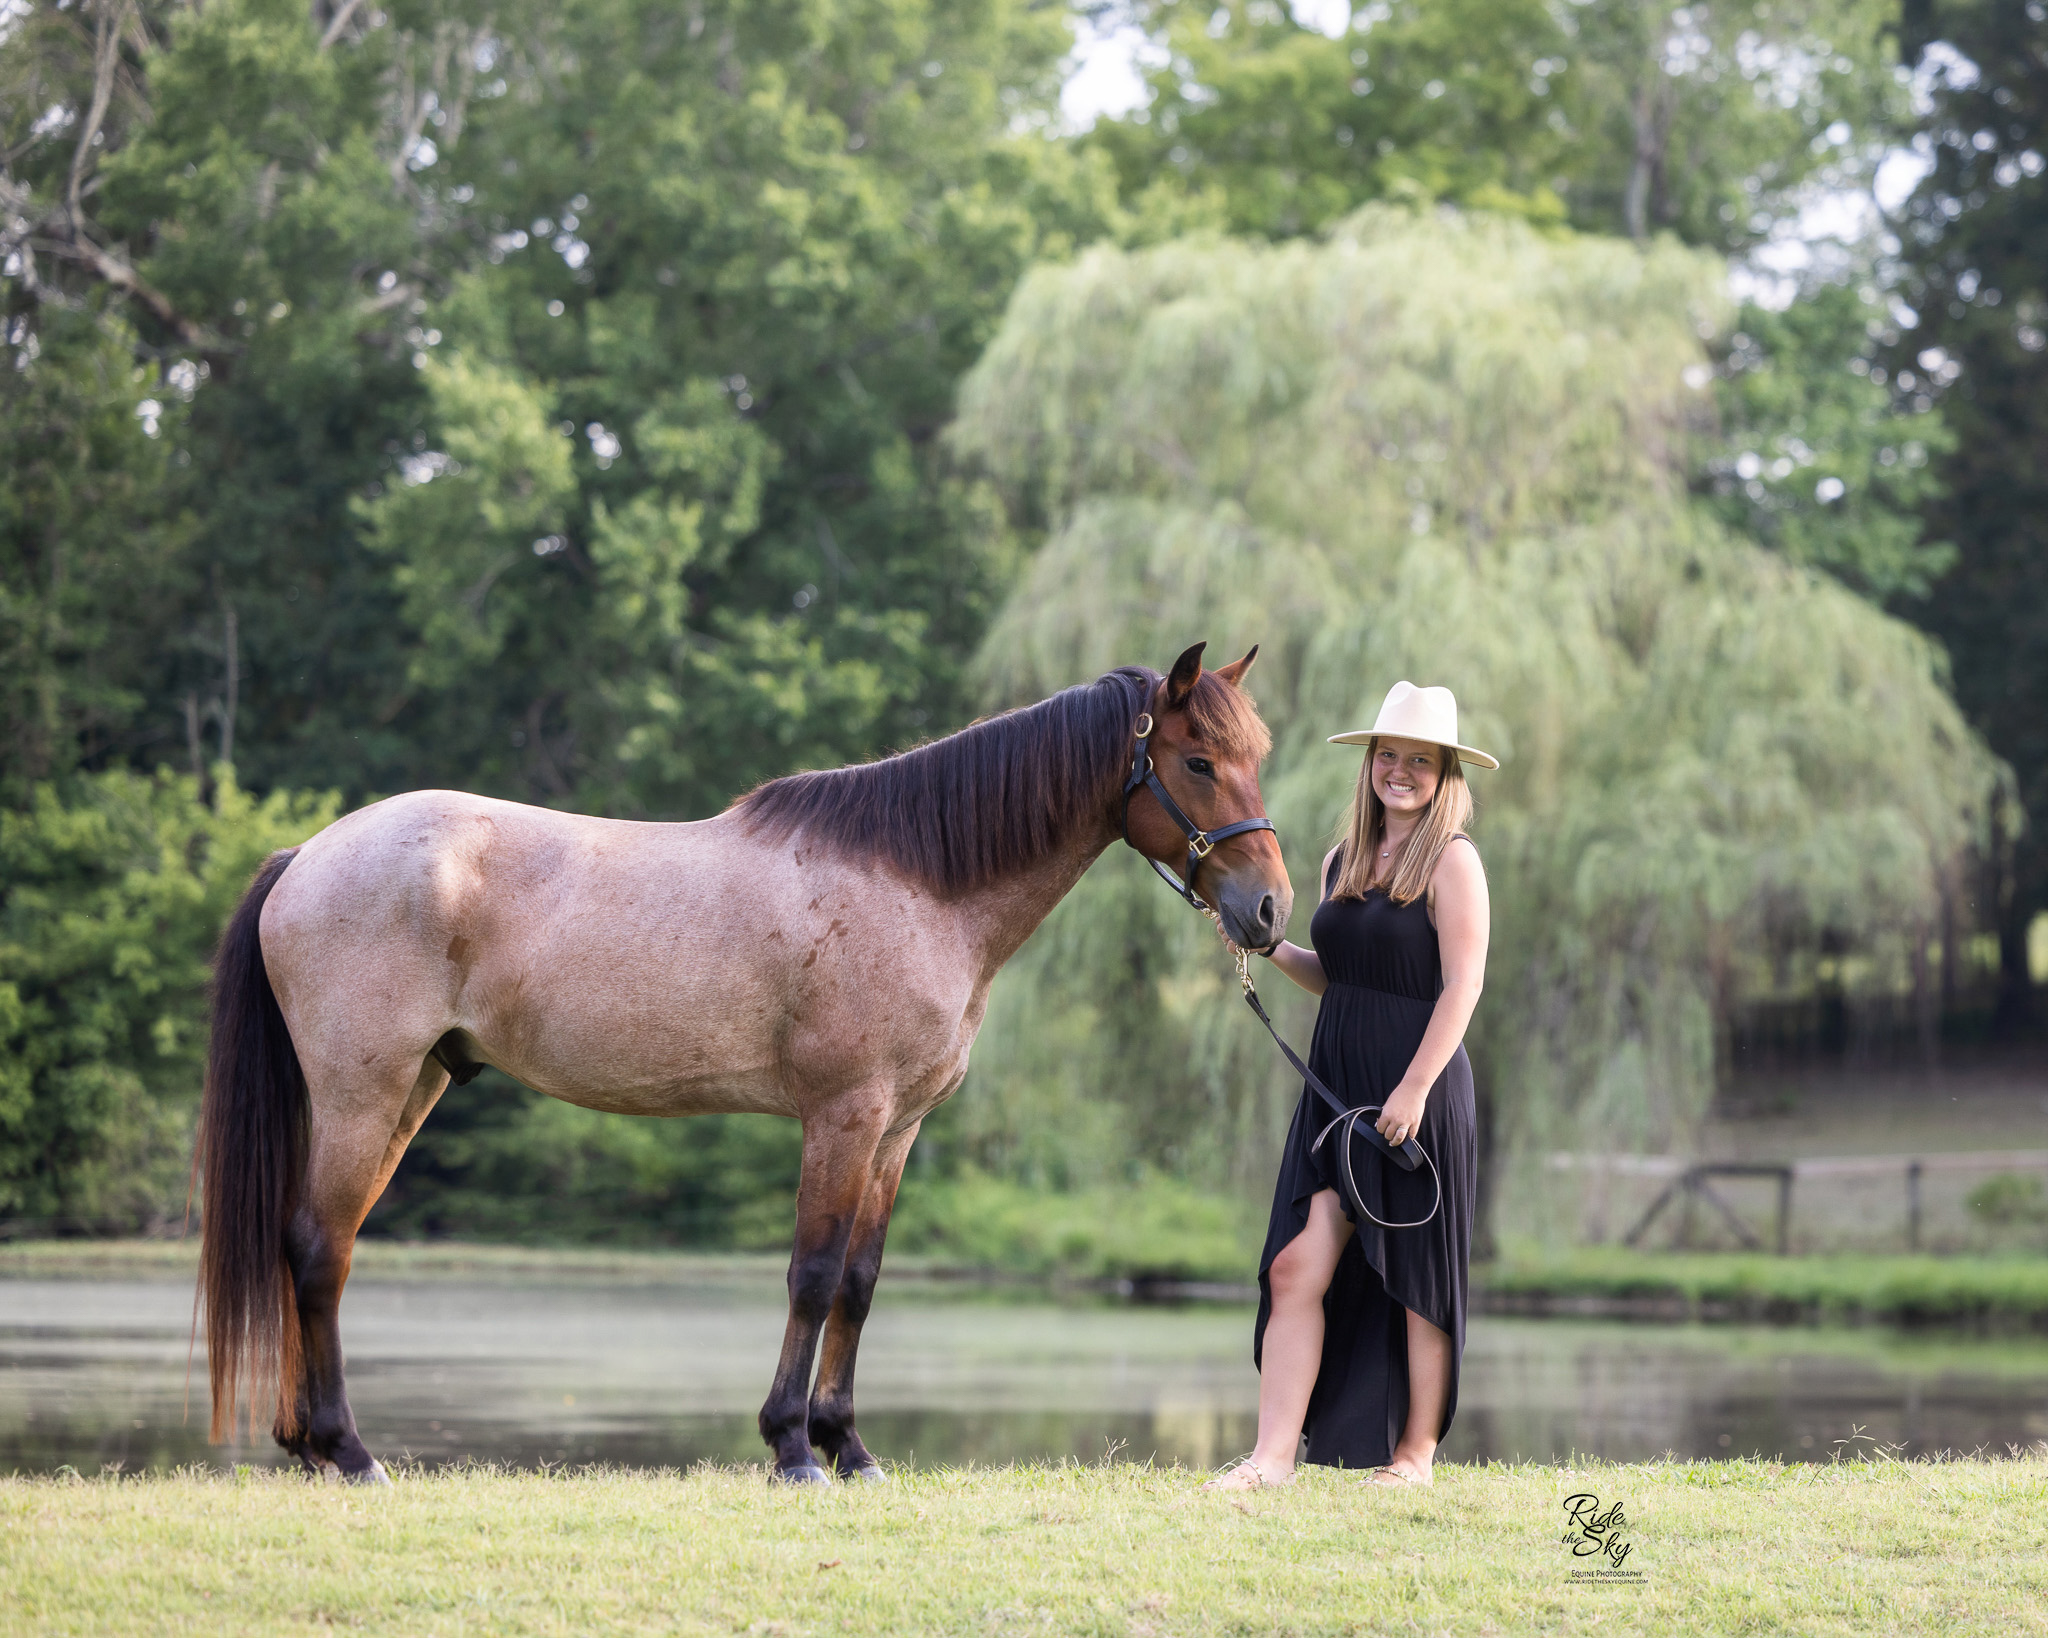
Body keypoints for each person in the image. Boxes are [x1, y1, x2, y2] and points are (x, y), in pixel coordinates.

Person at [1206, 681, 1494, 1489]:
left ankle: (1415, 1458)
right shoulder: (1340, 859)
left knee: (1416, 1279)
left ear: (1444, 774)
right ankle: (1270, 1462)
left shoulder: (1452, 861)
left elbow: (1463, 986)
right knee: (1296, 1266)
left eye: (1420, 761)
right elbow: (1334, 976)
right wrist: (1265, 950)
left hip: (1417, 1088)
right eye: (1389, 756)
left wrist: (1413, 1090)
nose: (1400, 771)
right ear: (1371, 763)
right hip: (1335, 1087)